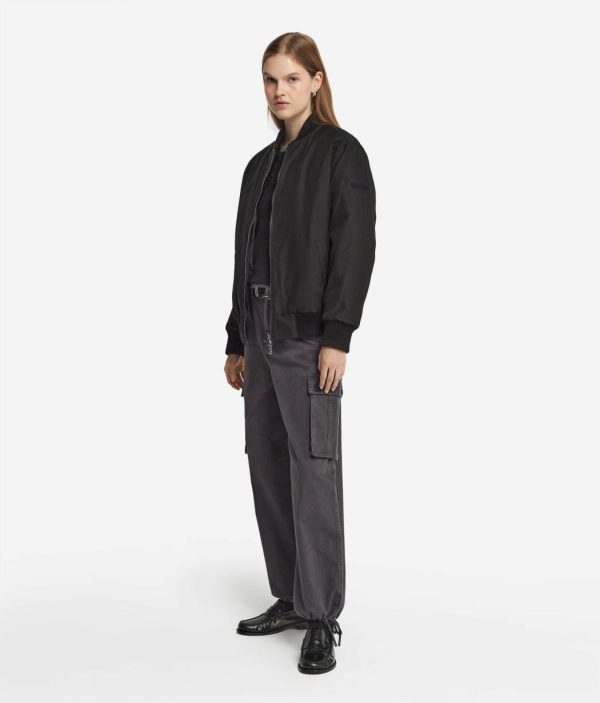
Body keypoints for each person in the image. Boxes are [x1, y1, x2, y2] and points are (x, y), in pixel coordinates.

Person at [223, 32, 376, 675]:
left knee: (313, 470)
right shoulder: (259, 166)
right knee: (266, 463)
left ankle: (321, 616)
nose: (278, 90)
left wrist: (337, 336)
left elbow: (355, 249)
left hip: (307, 337)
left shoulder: (340, 153)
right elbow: (243, 256)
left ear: (316, 80)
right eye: (270, 79)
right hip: (258, 331)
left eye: (291, 78)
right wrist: (236, 338)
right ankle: (289, 596)